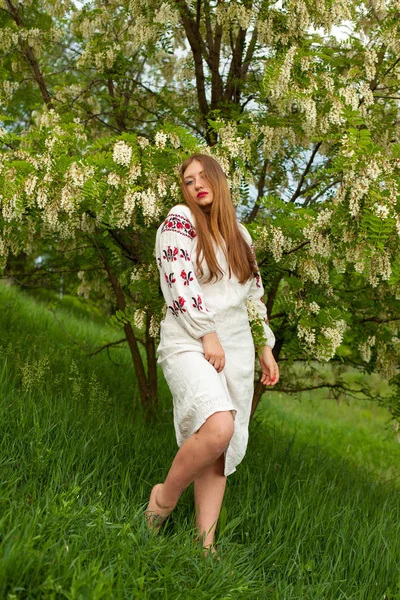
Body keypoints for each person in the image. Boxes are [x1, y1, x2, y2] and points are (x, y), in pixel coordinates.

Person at [146, 153, 279, 554]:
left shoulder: (241, 235)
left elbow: (253, 297)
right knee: (218, 425)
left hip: (235, 346)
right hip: (189, 338)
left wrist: (264, 348)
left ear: (219, 181)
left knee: (219, 447)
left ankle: (205, 546)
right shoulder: (179, 221)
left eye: (204, 176)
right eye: (189, 181)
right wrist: (207, 335)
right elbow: (179, 280)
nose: (197, 184)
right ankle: (162, 501)